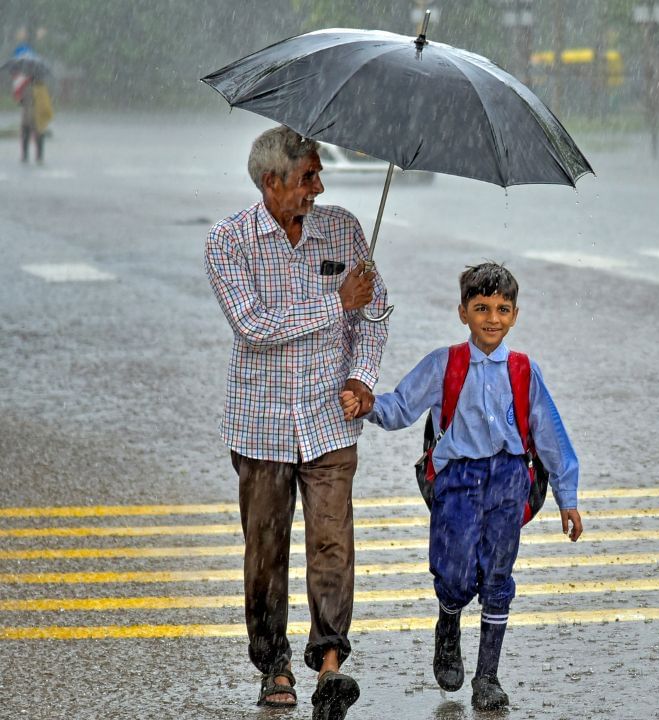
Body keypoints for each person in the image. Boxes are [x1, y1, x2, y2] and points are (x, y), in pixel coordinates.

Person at [204, 124, 388, 720]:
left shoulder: (343, 228)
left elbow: (375, 316)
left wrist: (361, 378)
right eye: (308, 175)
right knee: (265, 549)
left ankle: (330, 662)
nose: (319, 185)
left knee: (333, 542)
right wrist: (336, 302)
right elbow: (253, 325)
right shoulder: (228, 242)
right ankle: (274, 664)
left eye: (318, 173)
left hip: (331, 422)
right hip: (260, 427)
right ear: (271, 182)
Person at [341, 262, 583, 711]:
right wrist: (369, 404)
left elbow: (550, 436)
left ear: (515, 315)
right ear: (463, 312)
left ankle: (487, 677)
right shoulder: (444, 364)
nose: (492, 318)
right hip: (457, 481)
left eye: (502, 309)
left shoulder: (524, 371)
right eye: (481, 308)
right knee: (452, 573)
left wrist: (567, 498)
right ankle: (448, 620)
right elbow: (401, 406)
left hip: (509, 480)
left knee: (498, 575)